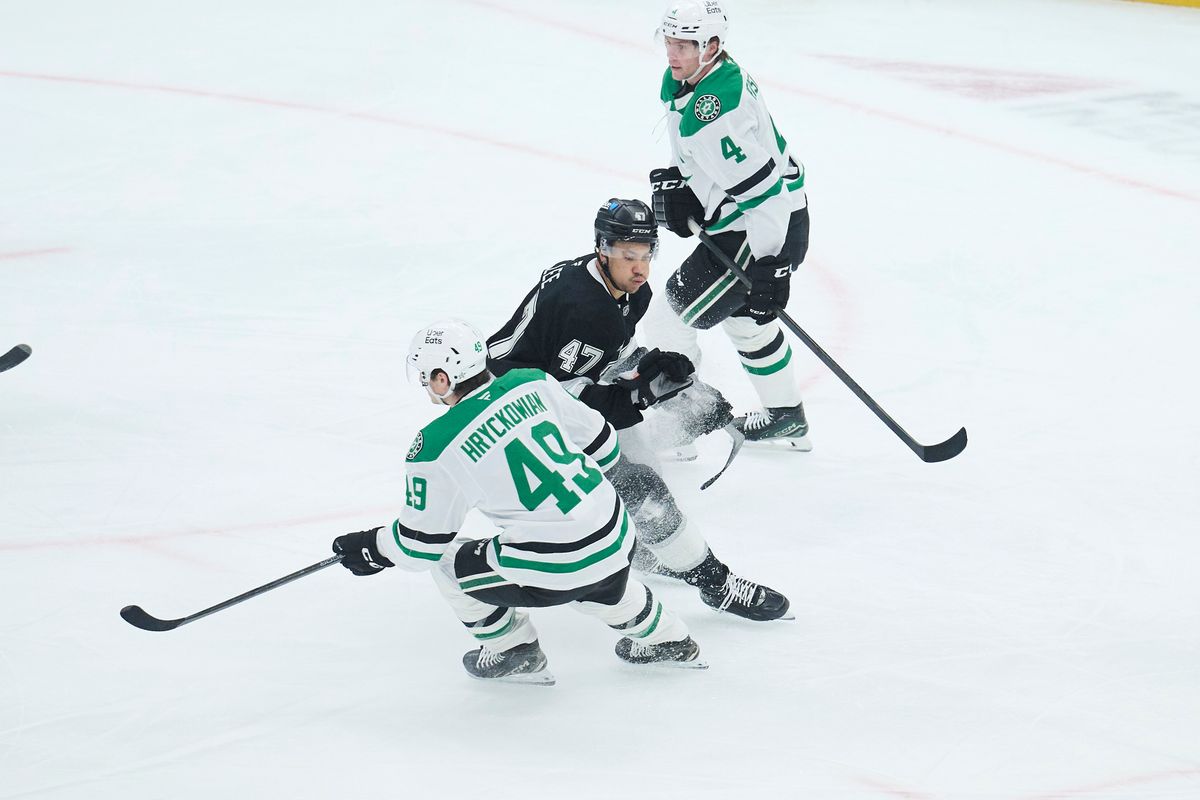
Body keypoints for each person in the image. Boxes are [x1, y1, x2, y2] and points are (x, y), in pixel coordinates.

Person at [331, 319, 703, 686]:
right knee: (599, 574)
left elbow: (418, 548)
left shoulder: (436, 446)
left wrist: (372, 547)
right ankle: (669, 639)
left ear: (443, 378)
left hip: (563, 561)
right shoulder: (532, 382)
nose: (425, 384)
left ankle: (514, 650)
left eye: (426, 376)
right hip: (617, 531)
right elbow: (604, 442)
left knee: (449, 565)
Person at [486, 198, 791, 623]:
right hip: (509, 413)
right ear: (602, 249)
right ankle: (714, 584)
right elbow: (571, 398)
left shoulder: (626, 291)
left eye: (647, 255)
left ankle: (646, 547)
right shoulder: (583, 307)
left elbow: (611, 356)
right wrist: (644, 395)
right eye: (629, 256)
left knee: (647, 466)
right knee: (641, 491)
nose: (640, 268)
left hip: (544, 390)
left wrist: (651, 366)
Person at [648, 0, 812, 450]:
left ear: (713, 45)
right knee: (746, 324)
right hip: (756, 218)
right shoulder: (700, 77)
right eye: (669, 42)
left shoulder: (715, 111)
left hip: (756, 231)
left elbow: (765, 199)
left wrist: (771, 268)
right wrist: (686, 187)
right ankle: (786, 416)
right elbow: (701, 153)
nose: (672, 53)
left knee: (669, 320)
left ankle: (681, 427)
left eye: (684, 45)